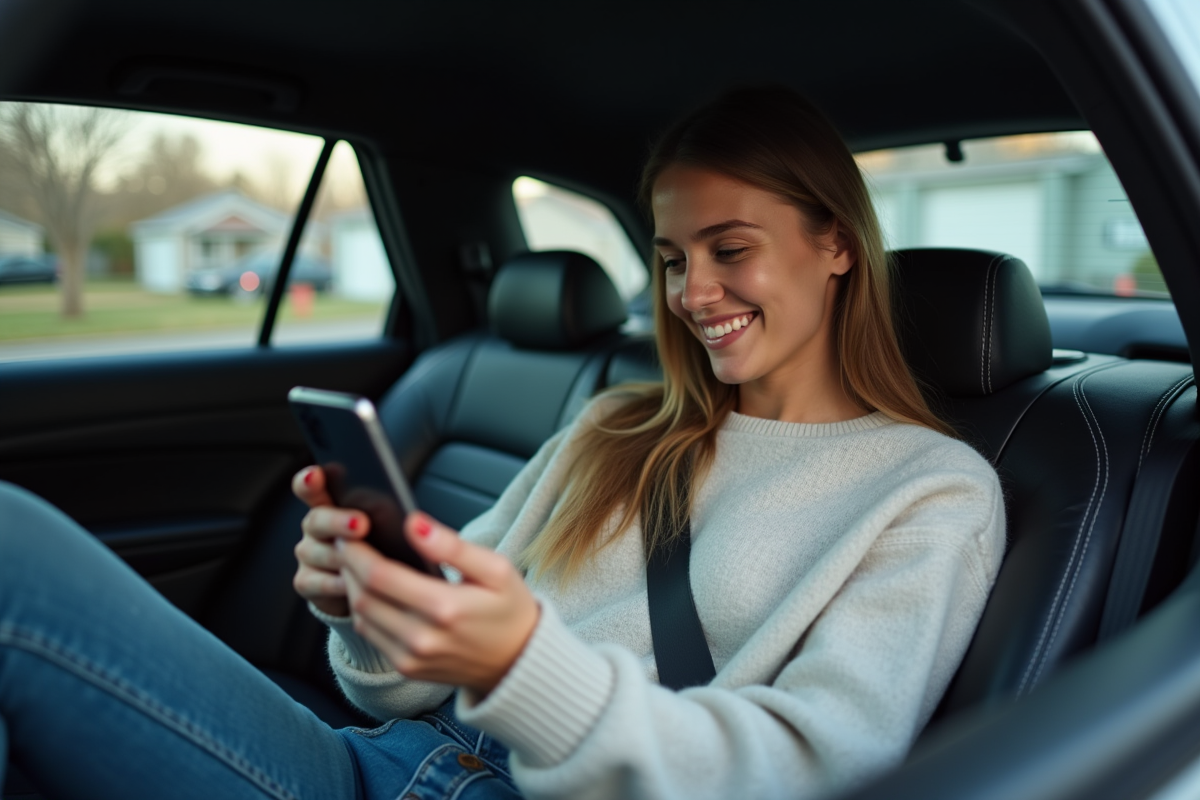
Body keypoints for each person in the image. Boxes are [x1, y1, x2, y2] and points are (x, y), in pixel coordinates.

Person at [0, 86, 1004, 800]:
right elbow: (400, 682)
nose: (692, 292)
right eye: (668, 258)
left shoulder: (929, 490)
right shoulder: (615, 427)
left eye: (730, 249)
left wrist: (525, 663)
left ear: (835, 243)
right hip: (399, 754)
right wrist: (372, 608)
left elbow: (813, 772)